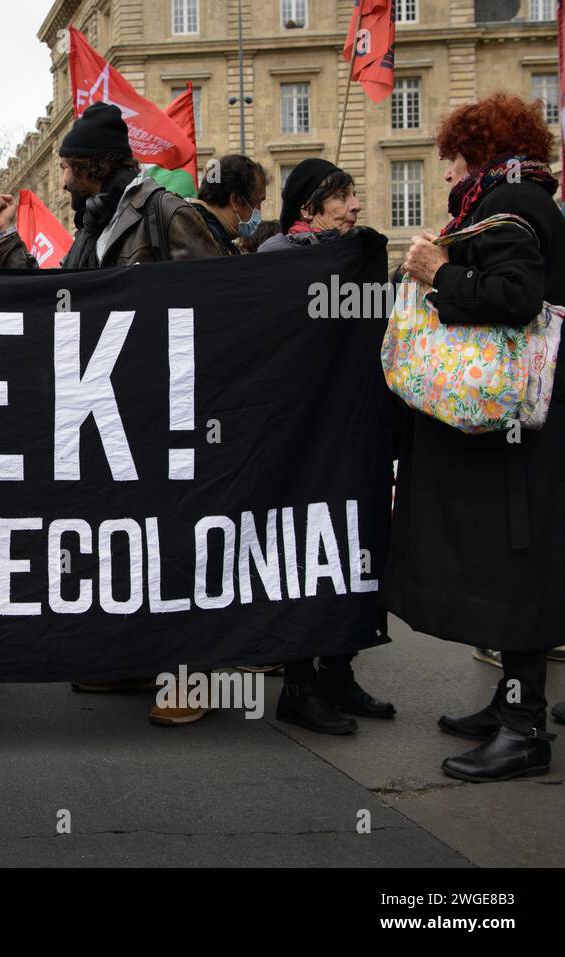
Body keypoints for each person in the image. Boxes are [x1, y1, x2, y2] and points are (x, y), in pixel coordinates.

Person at [0, 101, 222, 724]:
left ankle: (193, 678)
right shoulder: (97, 222)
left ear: (97, 165)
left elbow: (219, 303)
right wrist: (7, 245)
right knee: (132, 542)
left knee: (177, 538)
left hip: (162, 409)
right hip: (111, 411)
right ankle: (137, 661)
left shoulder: (168, 213)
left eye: (69, 169)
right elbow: (62, 299)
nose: (61, 182)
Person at [387, 92, 564, 782]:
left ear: (477, 153)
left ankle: (524, 730)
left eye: (454, 157)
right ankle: (508, 701)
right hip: (528, 424)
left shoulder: (507, 207)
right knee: (513, 562)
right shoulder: (527, 200)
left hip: (516, 430)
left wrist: (440, 274)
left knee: (516, 567)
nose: (448, 171)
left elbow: (515, 298)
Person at [257, 157, 396, 735]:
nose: (356, 206)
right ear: (309, 208)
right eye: (342, 198)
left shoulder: (358, 252)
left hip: (351, 431)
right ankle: (299, 683)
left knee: (352, 548)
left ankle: (339, 670)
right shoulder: (276, 259)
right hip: (296, 437)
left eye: (355, 195)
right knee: (303, 553)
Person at [0, 101, 220, 269]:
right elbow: (51, 298)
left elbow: (211, 298)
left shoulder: (168, 213)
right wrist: (5, 231)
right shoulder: (91, 227)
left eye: (64, 168)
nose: (63, 184)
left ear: (91, 167)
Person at [191, 155, 267, 256]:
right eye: (258, 202)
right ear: (235, 200)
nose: (259, 211)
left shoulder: (208, 234)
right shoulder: (206, 242)